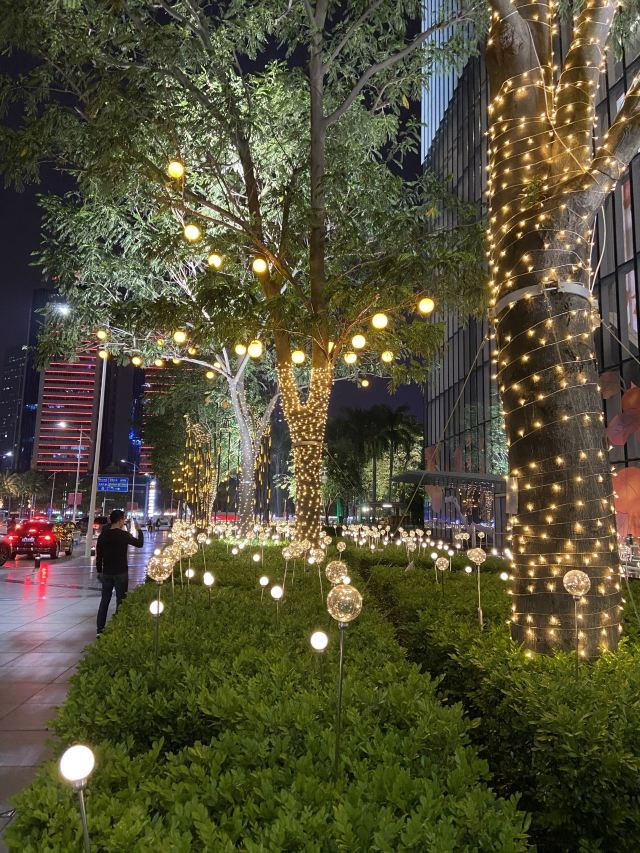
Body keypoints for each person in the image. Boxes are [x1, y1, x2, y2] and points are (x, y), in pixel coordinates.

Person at [96, 509, 144, 636]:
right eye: (123, 519)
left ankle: (100, 629)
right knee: (121, 600)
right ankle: (118, 627)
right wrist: (139, 530)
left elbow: (99, 555)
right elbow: (139, 544)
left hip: (107, 572)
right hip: (121, 572)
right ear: (119, 520)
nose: (124, 522)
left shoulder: (103, 535)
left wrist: (99, 570)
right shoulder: (124, 535)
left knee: (104, 600)